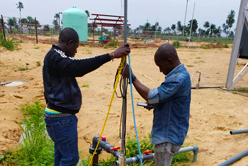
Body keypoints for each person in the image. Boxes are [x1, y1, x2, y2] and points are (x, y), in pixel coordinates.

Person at [42, 27, 130, 166]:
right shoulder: (56, 57)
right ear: (70, 43)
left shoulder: (55, 55)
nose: (76, 52)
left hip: (58, 117)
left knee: (61, 157)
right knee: (70, 159)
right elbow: (79, 67)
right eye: (76, 47)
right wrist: (111, 55)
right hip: (61, 119)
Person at [123, 44, 191, 166]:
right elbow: (169, 100)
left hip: (167, 137)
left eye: (160, 66)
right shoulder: (179, 75)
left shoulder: (178, 79)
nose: (160, 70)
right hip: (168, 135)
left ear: (169, 61)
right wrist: (156, 105)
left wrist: (132, 77)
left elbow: (152, 96)